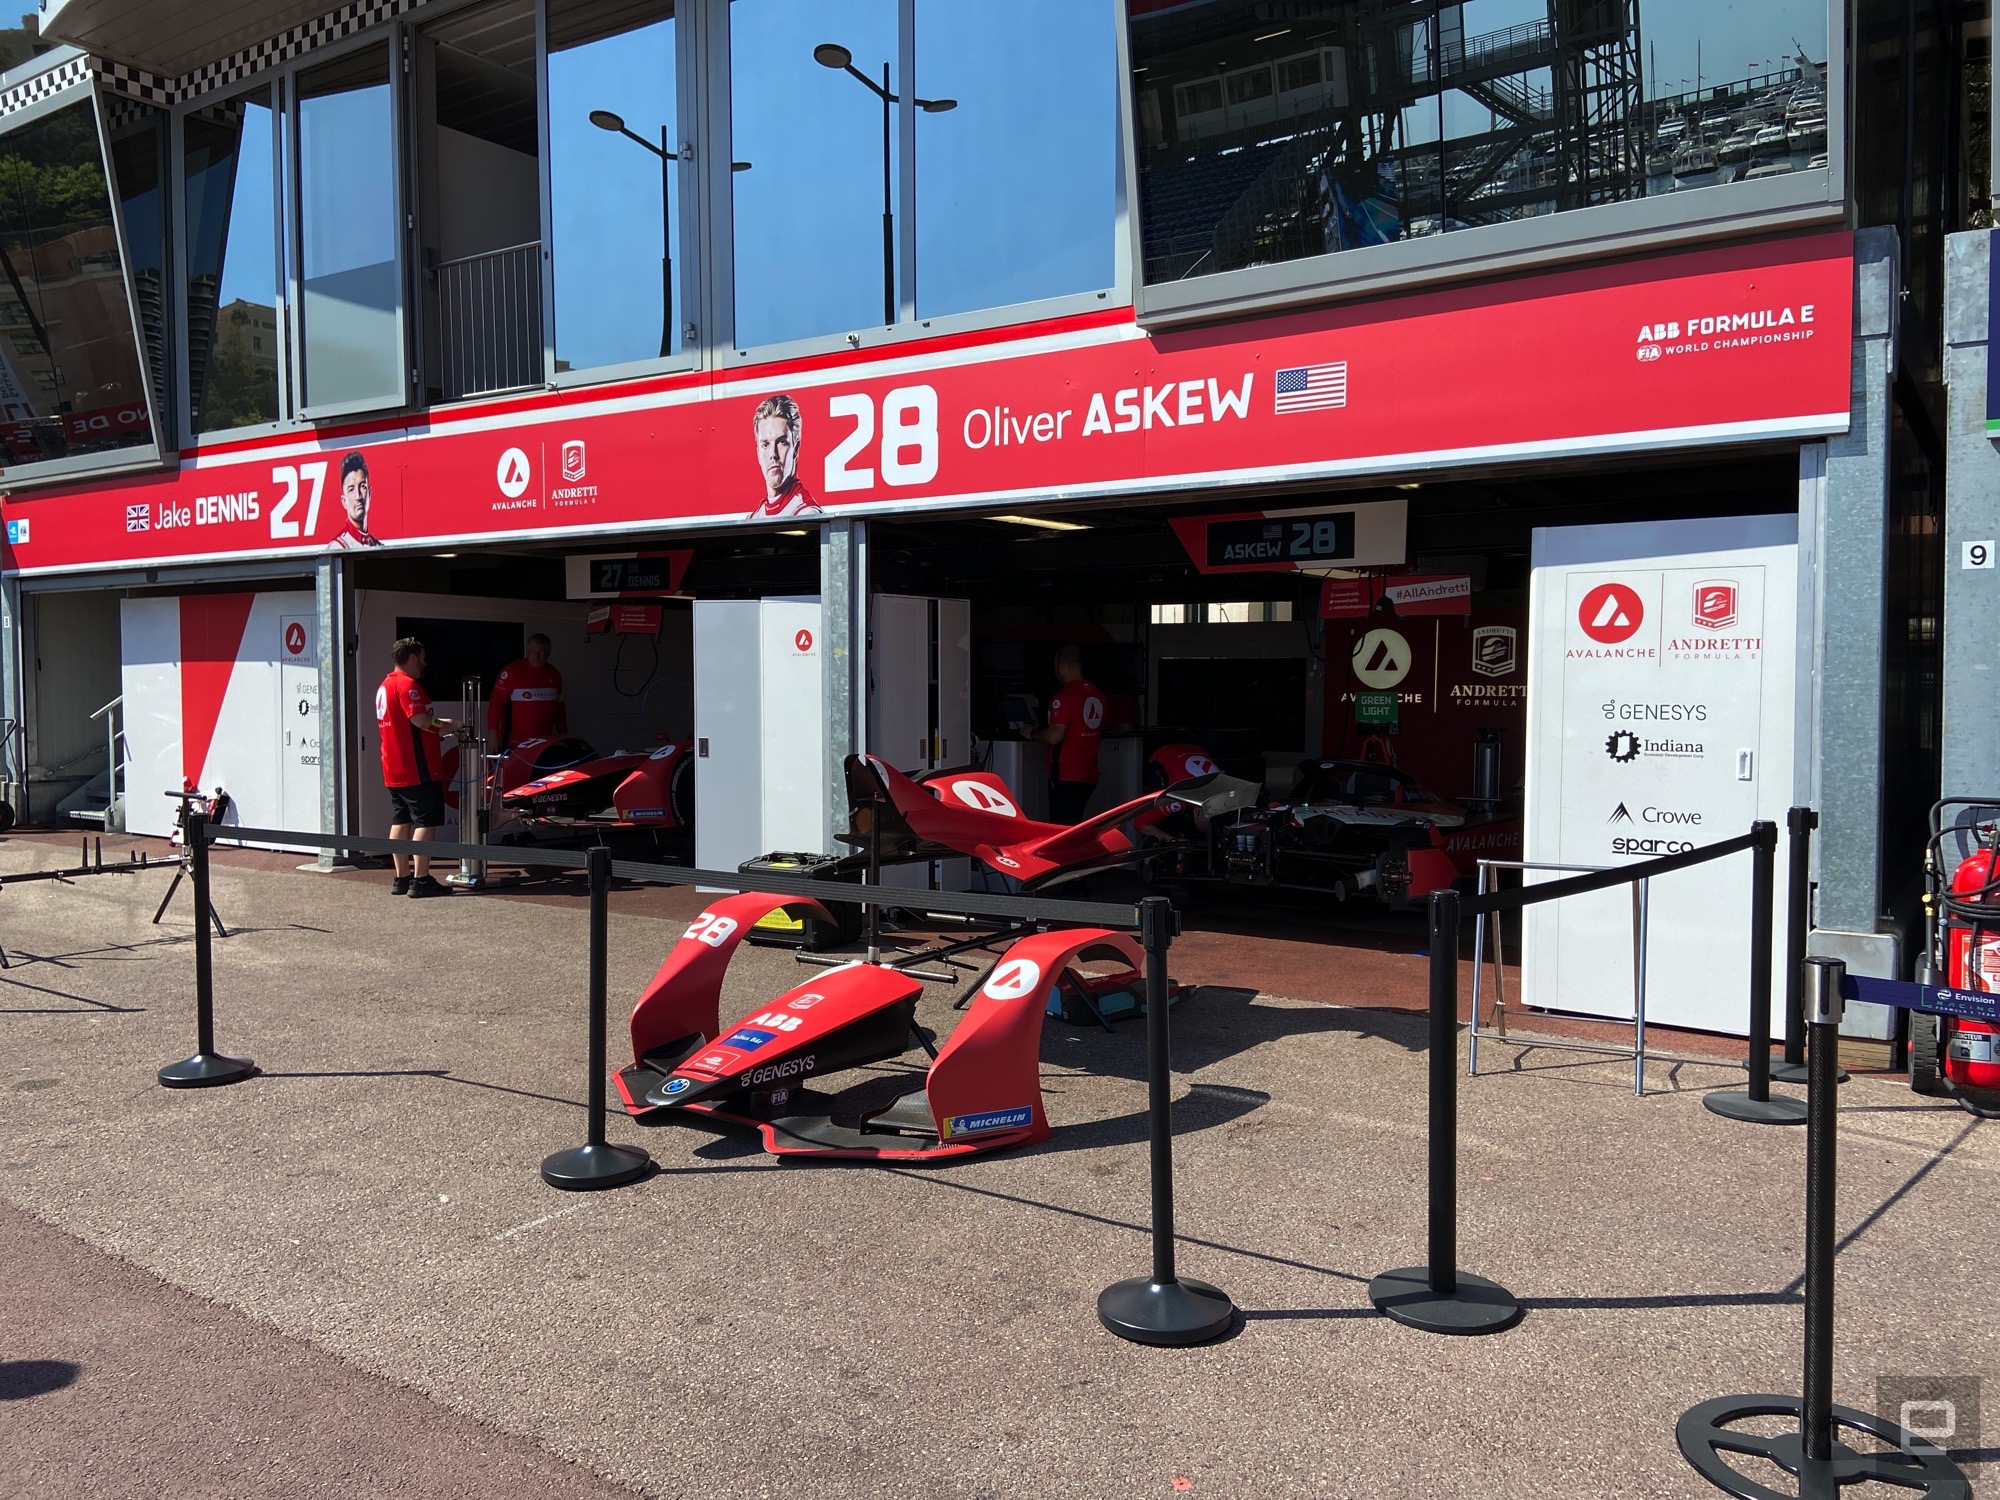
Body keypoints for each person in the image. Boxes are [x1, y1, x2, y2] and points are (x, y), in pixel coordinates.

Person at [376, 637, 455, 897]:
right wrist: (449, 726)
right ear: (411, 658)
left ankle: (402, 877)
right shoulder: (408, 685)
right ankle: (421, 880)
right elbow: (420, 721)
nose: (425, 663)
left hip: (393, 767)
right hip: (417, 768)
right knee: (425, 822)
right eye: (422, 658)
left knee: (400, 820)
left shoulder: (385, 685)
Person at [1031, 644, 1106, 824]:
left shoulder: (1064, 697)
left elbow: (1053, 736)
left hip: (1066, 774)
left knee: (1062, 831)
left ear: (1062, 667)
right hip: (1089, 773)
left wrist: (1032, 733)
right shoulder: (1098, 695)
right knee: (1075, 825)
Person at [746, 393, 822, 521]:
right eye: (766, 444)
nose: (773, 454)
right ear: (758, 454)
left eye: (781, 442)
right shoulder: (753, 518)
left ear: (796, 448)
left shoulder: (806, 514)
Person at [488, 633, 566, 751]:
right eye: (533, 650)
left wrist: (563, 730)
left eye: (541, 651)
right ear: (527, 650)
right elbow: (495, 703)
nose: (537, 655)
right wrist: (493, 734)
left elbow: (559, 706)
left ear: (548, 654)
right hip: (516, 743)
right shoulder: (512, 672)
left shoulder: (554, 674)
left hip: (545, 744)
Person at [331, 450, 382, 549]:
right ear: (344, 501)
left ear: (369, 493)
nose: (358, 496)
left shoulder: (377, 546)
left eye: (362, 486)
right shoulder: (338, 547)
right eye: (351, 489)